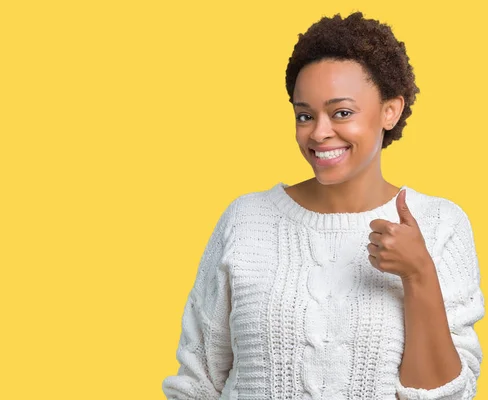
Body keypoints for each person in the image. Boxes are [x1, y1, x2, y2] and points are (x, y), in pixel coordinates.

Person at [161, 11, 484, 400]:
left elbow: (449, 396)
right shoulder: (246, 221)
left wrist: (419, 275)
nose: (319, 132)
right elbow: (197, 381)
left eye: (341, 113)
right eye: (304, 115)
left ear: (390, 110)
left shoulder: (441, 224)